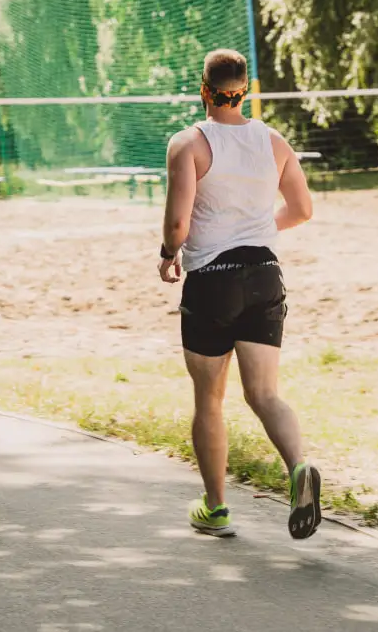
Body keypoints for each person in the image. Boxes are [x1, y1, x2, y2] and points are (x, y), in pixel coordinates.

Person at [158, 48, 320, 540]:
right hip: (265, 273)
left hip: (213, 280)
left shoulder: (189, 143)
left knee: (210, 399)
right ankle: (298, 467)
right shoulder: (274, 141)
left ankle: (216, 509)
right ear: (244, 89)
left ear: (204, 89)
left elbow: (179, 223)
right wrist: (253, 232)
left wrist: (168, 253)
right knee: (265, 394)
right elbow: (302, 209)